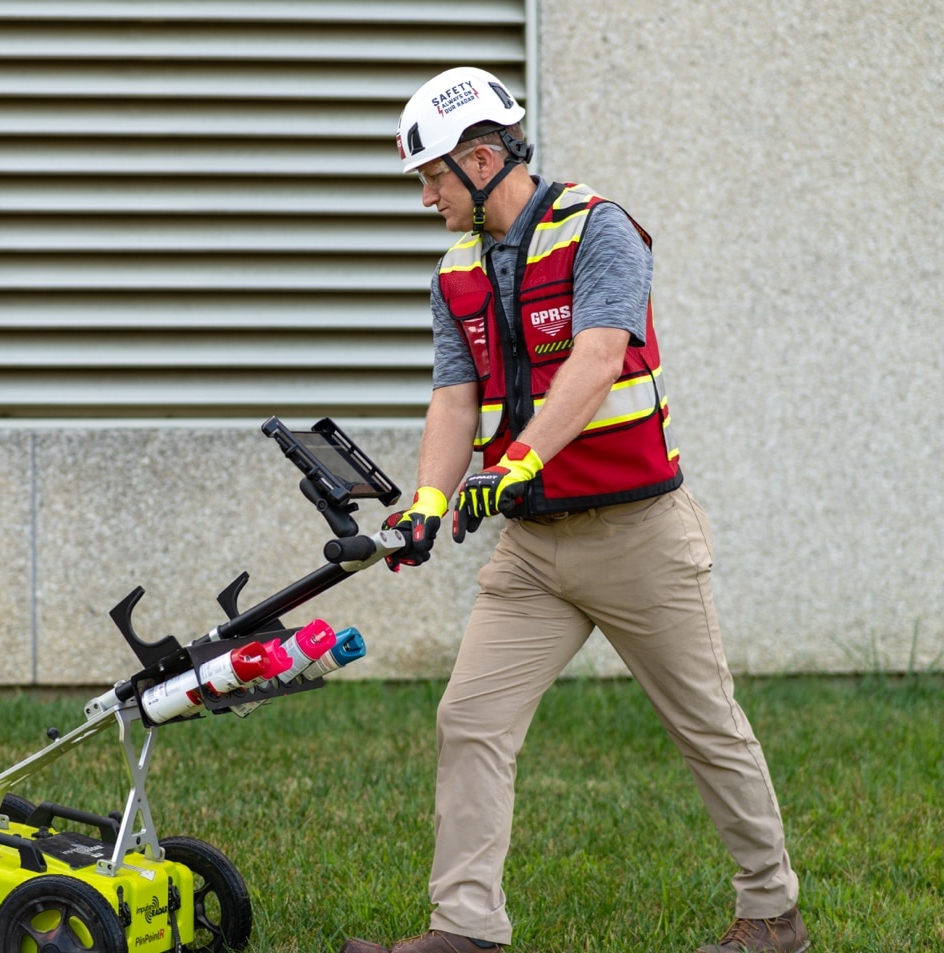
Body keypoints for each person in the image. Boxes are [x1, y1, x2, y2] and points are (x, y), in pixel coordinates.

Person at [340, 67, 808, 953]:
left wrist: (516, 460)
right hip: (532, 551)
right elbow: (452, 397)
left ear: (482, 160)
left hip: (639, 537)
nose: (428, 197)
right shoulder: (456, 273)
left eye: (434, 177)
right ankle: (465, 930)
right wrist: (426, 504)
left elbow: (595, 360)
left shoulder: (602, 231)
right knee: (469, 718)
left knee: (705, 724)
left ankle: (771, 912)